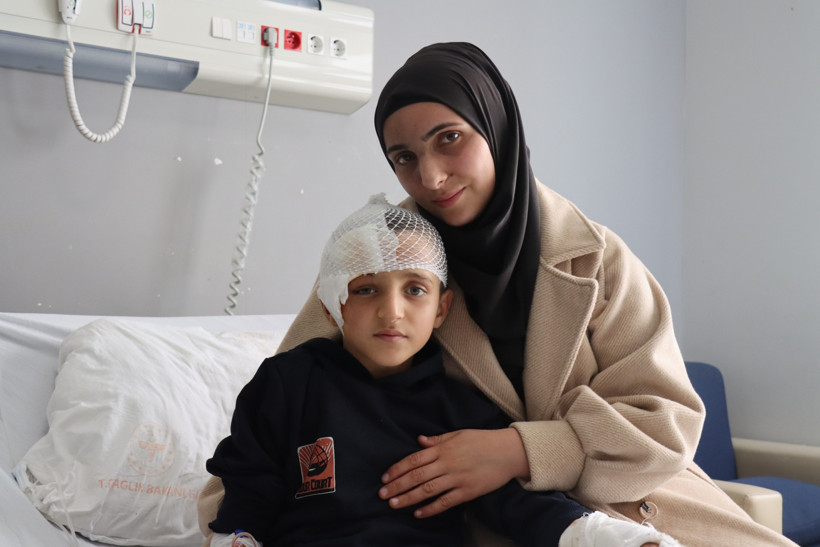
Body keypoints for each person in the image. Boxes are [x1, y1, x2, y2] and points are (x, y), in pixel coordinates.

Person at [200, 43, 797, 546]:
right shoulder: (382, 258)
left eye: (449, 139)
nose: (431, 176)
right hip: (487, 526)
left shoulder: (597, 259)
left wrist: (520, 450)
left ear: (495, 128)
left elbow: (665, 425)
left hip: (637, 510)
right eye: (405, 158)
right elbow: (263, 445)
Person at [202, 194, 678, 547]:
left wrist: (601, 536)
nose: (392, 312)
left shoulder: (459, 409)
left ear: (442, 309)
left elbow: (517, 505)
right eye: (366, 290)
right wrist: (236, 537)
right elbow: (250, 482)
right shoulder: (287, 384)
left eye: (414, 290)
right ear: (330, 306)